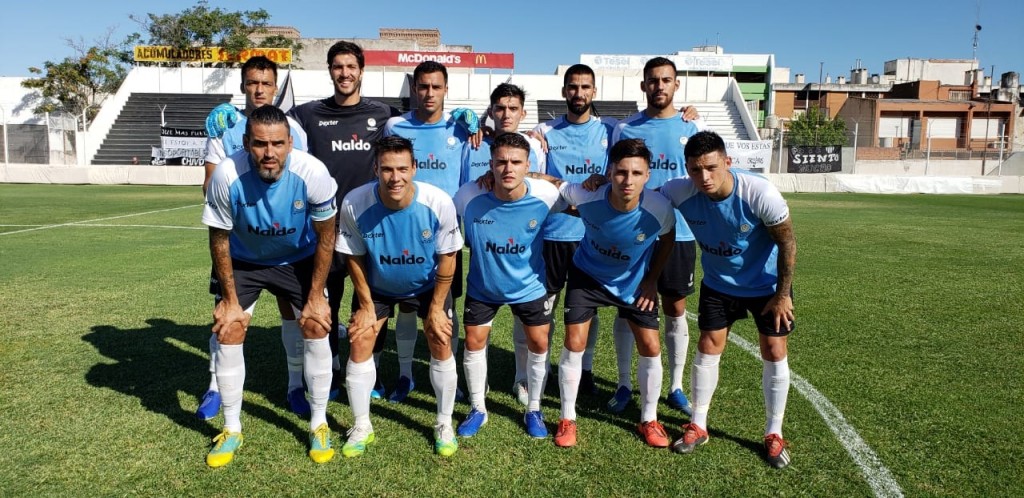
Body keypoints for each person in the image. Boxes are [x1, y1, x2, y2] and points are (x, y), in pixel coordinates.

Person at [201, 105, 338, 467]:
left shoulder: (313, 172)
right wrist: (230, 300)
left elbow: (327, 236)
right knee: (229, 327)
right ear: (247, 143)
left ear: (290, 143)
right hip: (246, 260)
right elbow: (219, 239)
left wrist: (315, 296)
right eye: (260, 144)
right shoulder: (226, 174)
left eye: (277, 144)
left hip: (297, 258)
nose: (269, 153)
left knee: (316, 323)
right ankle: (232, 429)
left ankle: (319, 423)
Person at [659, 131, 796, 469]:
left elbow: (787, 243)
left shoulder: (759, 192)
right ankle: (698, 425)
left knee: (774, 349)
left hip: (766, 285)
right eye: (695, 170)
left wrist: (782, 295)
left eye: (711, 167)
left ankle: (774, 432)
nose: (704, 177)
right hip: (719, 284)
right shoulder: (679, 191)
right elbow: (637, 198)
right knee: (708, 346)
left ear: (727, 163)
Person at [197, 55, 311, 421]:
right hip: (240, 246)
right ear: (242, 85)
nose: (259, 89)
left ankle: (295, 385)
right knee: (227, 316)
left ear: (276, 88)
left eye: (266, 83)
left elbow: (299, 183)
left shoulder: (294, 130)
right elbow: (209, 186)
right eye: (252, 83)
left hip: (286, 245)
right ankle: (215, 386)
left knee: (292, 315)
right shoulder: (224, 126)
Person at [542, 138, 676, 448]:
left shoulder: (659, 208)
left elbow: (668, 239)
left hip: (634, 282)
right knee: (574, 341)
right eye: (621, 172)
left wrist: (651, 280)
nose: (628, 180)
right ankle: (567, 417)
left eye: (636, 173)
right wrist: (517, 175)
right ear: (610, 172)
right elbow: (555, 183)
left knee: (651, 346)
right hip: (587, 276)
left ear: (648, 175)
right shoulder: (587, 194)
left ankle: (649, 419)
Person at [335, 136, 464, 457]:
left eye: (403, 169)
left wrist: (437, 307)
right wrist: (366, 305)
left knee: (440, 338)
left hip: (427, 287)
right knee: (360, 339)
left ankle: (443, 423)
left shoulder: (438, 202)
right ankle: (362, 425)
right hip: (377, 288)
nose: (395, 177)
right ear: (376, 169)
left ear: (414, 168)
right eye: (387, 169)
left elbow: (449, 256)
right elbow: (353, 255)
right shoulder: (354, 202)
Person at [607, 56, 708, 415]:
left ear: (676, 85)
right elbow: (612, 173)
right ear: (644, 85)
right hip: (635, 235)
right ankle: (623, 383)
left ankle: (676, 386)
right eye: (653, 80)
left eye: (666, 80)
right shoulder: (625, 128)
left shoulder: (693, 126)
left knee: (675, 307)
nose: (659, 86)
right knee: (626, 308)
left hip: (679, 232)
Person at [452, 132, 562, 439]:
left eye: (516, 162)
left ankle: (534, 409)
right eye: (501, 162)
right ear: (491, 165)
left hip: (529, 286)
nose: (508, 168)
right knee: (474, 341)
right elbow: (444, 222)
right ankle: (478, 408)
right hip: (483, 287)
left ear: (528, 166)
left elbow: (580, 198)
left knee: (539, 342)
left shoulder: (545, 194)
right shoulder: (469, 195)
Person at [380, 61, 472, 403]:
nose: (429, 93)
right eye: (423, 86)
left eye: (436, 86)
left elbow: (466, 182)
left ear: (446, 89)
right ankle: (406, 375)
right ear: (414, 89)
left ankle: (451, 378)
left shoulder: (461, 128)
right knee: (407, 307)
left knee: (446, 308)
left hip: (444, 238)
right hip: (402, 231)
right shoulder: (395, 125)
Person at [528, 64, 616, 401]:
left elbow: (625, 166)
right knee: (546, 308)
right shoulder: (544, 131)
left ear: (594, 91)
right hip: (553, 234)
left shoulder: (611, 129)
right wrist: (568, 188)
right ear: (564, 91)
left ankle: (586, 370)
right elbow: (533, 176)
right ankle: (543, 369)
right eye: (573, 87)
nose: (579, 93)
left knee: (587, 311)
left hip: (592, 236)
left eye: (585, 87)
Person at [461, 82, 547, 406]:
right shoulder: (475, 141)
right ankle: (477, 394)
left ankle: (523, 381)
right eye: (500, 108)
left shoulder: (536, 144)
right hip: (485, 239)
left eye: (513, 108)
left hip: (527, 242)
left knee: (531, 329)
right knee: (475, 334)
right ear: (491, 111)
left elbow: (549, 187)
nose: (506, 114)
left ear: (523, 113)